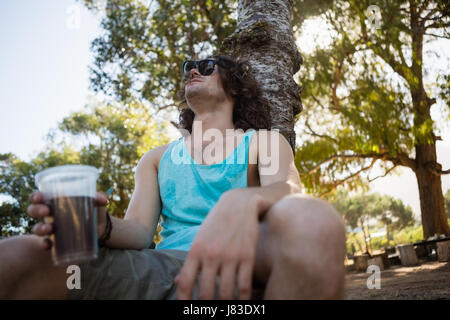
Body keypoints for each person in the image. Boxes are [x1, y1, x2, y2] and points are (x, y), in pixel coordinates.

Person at [0, 54, 346, 300]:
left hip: (246, 262)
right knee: (16, 256)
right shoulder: (156, 158)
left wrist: (243, 198)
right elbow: (137, 232)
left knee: (316, 222)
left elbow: (289, 192)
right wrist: (101, 226)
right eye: (189, 68)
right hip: (165, 268)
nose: (194, 70)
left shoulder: (264, 141)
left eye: (207, 67)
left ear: (235, 89)